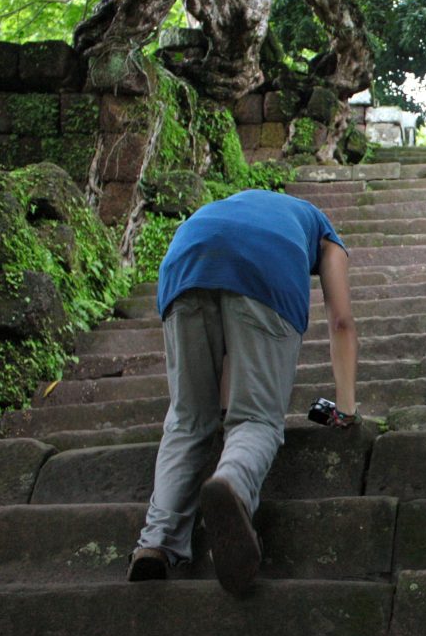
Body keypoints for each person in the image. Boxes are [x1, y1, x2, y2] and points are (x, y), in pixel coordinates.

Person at [126, 189, 358, 594]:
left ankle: (154, 544)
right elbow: (341, 321)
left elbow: (230, 347)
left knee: (187, 419)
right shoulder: (323, 230)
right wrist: (346, 407)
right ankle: (232, 484)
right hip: (265, 272)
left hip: (186, 260)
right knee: (256, 420)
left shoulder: (231, 207)